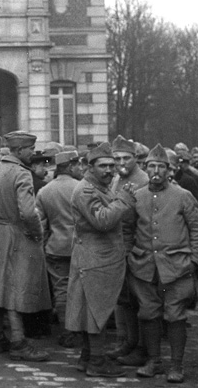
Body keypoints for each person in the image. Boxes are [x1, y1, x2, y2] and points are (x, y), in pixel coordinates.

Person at [124, 144, 198, 383]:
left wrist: (195, 260)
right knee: (148, 313)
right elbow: (127, 230)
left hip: (177, 267)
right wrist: (130, 255)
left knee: (175, 315)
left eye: (161, 166)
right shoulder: (137, 197)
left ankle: (176, 365)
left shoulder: (182, 196)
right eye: (152, 167)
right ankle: (154, 362)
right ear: (145, 169)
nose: (156, 171)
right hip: (144, 267)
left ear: (169, 170)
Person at [0, 131, 51, 362]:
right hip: (18, 234)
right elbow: (28, 212)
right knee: (15, 288)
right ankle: (18, 341)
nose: (33, 152)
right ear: (19, 151)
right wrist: (38, 234)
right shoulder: (22, 174)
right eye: (30, 149)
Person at [65, 142, 135, 378]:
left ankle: (88, 357)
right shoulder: (86, 190)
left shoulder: (99, 186)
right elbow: (102, 220)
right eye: (103, 166)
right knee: (97, 311)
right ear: (89, 167)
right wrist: (124, 201)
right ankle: (96, 361)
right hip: (96, 259)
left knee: (91, 309)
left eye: (111, 166)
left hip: (97, 258)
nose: (109, 170)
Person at [106, 135, 149, 367]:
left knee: (141, 300)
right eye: (117, 158)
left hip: (138, 248)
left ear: (136, 158)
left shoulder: (143, 180)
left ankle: (142, 347)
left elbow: (147, 219)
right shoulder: (116, 178)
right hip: (119, 246)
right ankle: (127, 342)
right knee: (124, 299)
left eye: (126, 158)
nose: (121, 162)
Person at [35, 150, 82, 349]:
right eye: (77, 164)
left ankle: (66, 331)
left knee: (61, 290)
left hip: (55, 247)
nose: (80, 168)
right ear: (70, 167)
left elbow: (40, 224)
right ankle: (81, 330)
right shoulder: (81, 188)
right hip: (80, 246)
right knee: (80, 290)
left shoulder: (45, 191)